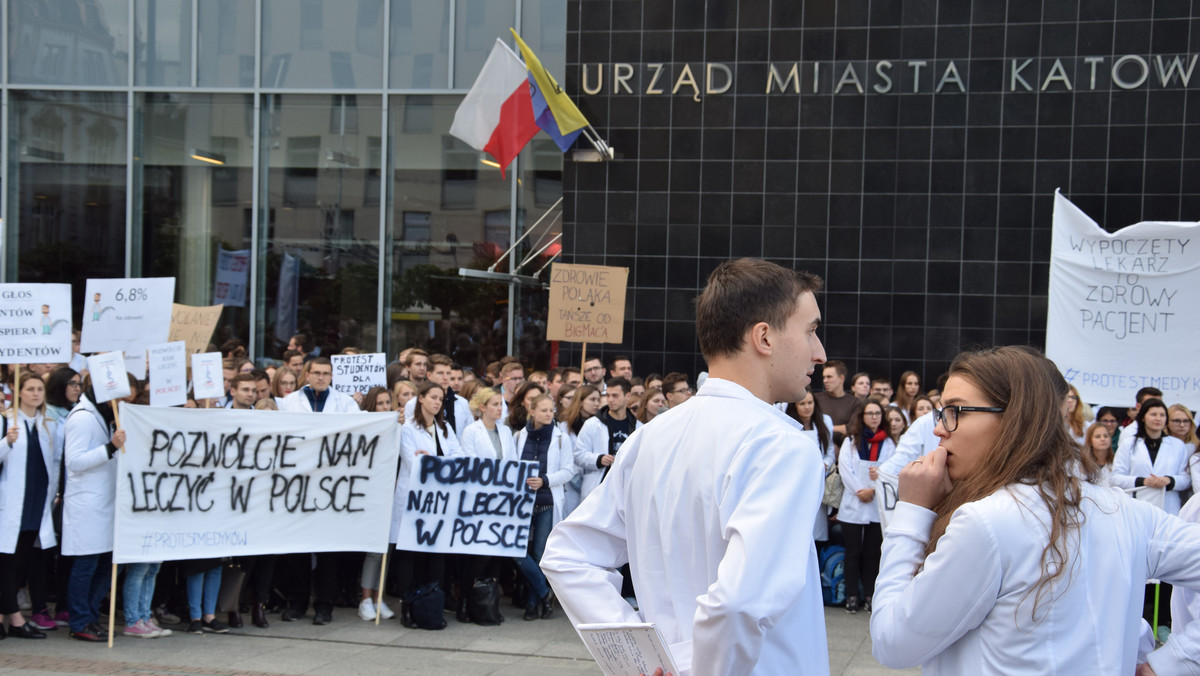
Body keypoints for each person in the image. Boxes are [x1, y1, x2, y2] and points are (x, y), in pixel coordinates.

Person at [541, 258, 830, 675]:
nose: (819, 353)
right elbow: (738, 603)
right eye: (811, 331)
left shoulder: (649, 437)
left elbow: (568, 555)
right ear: (764, 337)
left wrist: (639, 661)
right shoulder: (783, 446)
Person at [870, 346, 1200, 674]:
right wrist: (1172, 662)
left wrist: (912, 511)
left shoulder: (986, 523)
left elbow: (892, 642)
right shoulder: (1125, 512)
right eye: (942, 413)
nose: (939, 429)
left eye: (957, 411)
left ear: (1016, 419)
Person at [63, 373, 135, 642]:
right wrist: (110, 447)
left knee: (105, 565)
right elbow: (75, 462)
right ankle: (80, 620)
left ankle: (91, 616)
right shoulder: (82, 418)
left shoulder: (102, 415)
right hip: (88, 505)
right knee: (87, 565)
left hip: (105, 502)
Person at [0, 376, 63, 639]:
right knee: (6, 563)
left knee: (21, 563)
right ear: (18, 391)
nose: (35, 394)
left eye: (39, 389)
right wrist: (6, 442)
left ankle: (4, 616)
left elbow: (55, 461)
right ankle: (14, 619)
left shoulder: (47, 423)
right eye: (30, 389)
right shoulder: (6, 420)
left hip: (37, 502)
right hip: (11, 504)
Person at [396, 381, 464, 627]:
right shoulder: (408, 429)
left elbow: (458, 458)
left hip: (439, 501)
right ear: (421, 398)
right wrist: (440, 463)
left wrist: (433, 460)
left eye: (441, 398)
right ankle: (407, 606)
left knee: (435, 554)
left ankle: (431, 603)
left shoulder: (444, 428)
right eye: (433, 397)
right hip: (414, 498)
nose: (437, 402)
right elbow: (414, 465)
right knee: (409, 554)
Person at [513, 394, 574, 621]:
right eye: (544, 410)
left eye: (552, 410)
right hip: (522, 503)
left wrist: (545, 480)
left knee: (539, 554)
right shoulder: (519, 435)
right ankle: (544, 593)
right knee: (516, 550)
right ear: (532, 411)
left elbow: (569, 470)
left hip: (547, 502)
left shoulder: (561, 438)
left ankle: (533, 605)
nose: (549, 414)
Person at [837, 400, 896, 613]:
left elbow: (890, 469)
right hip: (854, 502)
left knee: (872, 553)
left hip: (875, 502)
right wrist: (860, 490)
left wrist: (872, 489)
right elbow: (845, 469)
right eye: (870, 413)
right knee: (852, 552)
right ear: (862, 416)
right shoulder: (851, 441)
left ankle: (870, 595)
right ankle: (852, 595)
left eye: (877, 413)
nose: (874, 417)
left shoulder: (888, 443)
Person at [356, 386, 397, 623]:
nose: (384, 408)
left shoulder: (395, 429)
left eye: (387, 403)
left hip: (389, 494)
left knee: (385, 551)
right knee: (374, 551)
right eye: (380, 404)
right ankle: (365, 599)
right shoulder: (366, 429)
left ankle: (378, 596)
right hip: (371, 496)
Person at [573, 378, 640, 501]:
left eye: (615, 395)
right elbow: (578, 455)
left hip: (626, 489)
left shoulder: (638, 427)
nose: (610, 399)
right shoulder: (592, 424)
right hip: (599, 488)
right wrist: (598, 459)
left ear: (628, 396)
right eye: (608, 395)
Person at [785, 391, 835, 543]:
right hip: (797, 482)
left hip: (819, 480)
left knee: (817, 528)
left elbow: (830, 453)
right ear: (795, 406)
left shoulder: (825, 421)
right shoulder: (788, 424)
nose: (807, 407)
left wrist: (824, 464)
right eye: (802, 404)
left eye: (810, 403)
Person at [815, 360, 856, 443]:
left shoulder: (854, 402)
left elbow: (852, 428)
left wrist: (825, 428)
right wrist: (839, 428)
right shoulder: (816, 399)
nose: (825, 380)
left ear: (841, 378)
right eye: (824, 377)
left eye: (829, 377)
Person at [1083, 421, 1115, 486]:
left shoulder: (1116, 462)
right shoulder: (1083, 464)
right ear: (1090, 440)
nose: (1102, 439)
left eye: (1106, 436)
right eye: (1097, 436)